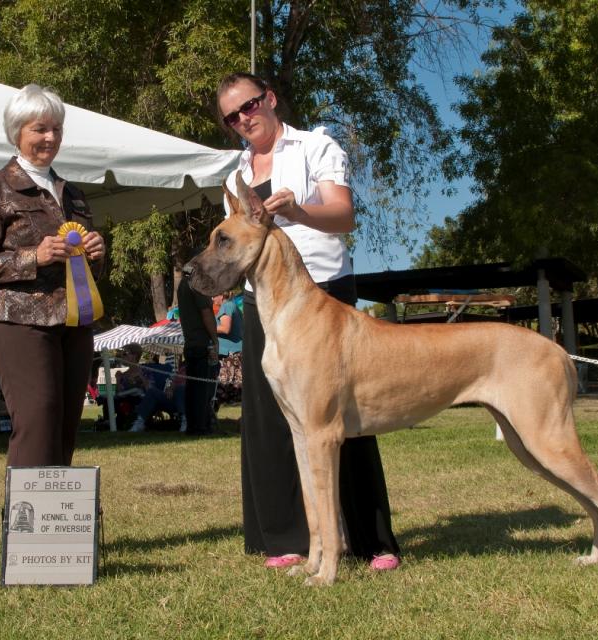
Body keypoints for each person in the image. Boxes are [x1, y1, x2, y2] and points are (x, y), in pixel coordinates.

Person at [216, 72, 400, 570]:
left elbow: (343, 215)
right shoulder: (237, 170)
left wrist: (300, 209)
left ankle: (372, 540)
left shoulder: (316, 145)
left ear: (270, 100)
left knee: (350, 419)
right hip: (266, 301)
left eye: (249, 106)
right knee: (271, 423)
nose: (242, 119)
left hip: (323, 289)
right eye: (231, 116)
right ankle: (287, 538)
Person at [0, 84, 105, 466]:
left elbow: (86, 273)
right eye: (40, 128)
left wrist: (96, 255)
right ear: (17, 131)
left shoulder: (72, 194)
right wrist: (32, 257)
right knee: (38, 420)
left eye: (56, 128)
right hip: (17, 319)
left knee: (66, 425)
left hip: (74, 321)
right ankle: (26, 523)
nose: (50, 137)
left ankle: (58, 521)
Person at [177, 273, 218, 435]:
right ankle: (202, 427)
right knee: (202, 389)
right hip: (202, 343)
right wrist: (215, 339)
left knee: (192, 388)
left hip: (191, 343)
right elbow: (206, 312)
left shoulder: (182, 284)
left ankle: (194, 426)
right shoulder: (197, 282)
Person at [213, 292, 243, 405]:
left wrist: (206, 327)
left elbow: (225, 328)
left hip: (230, 356)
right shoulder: (233, 305)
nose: (212, 298)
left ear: (221, 294)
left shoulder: (227, 306)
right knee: (231, 391)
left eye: (214, 295)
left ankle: (208, 419)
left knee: (220, 390)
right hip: (235, 353)